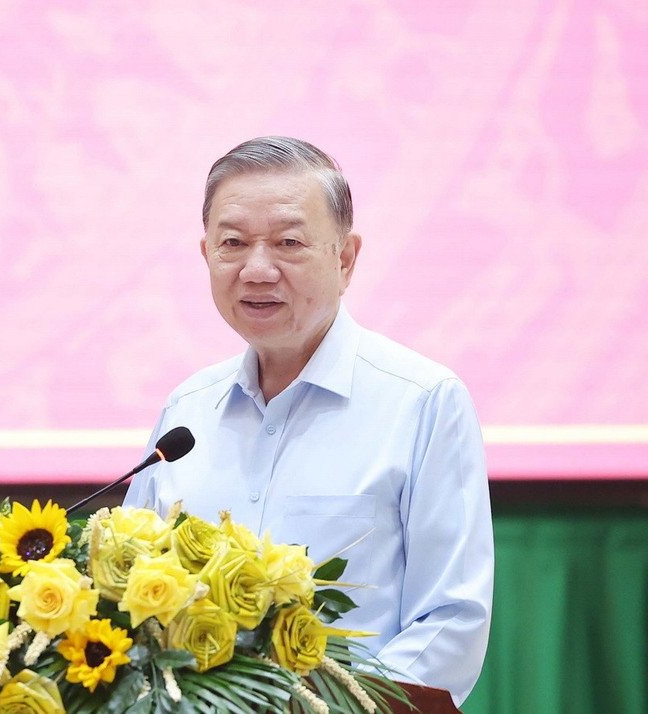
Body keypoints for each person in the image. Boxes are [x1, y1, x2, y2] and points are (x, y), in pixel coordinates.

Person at [123, 136, 493, 705]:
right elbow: (127, 589)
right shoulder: (187, 410)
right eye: (233, 244)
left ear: (345, 258)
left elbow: (451, 618)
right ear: (205, 256)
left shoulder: (422, 402)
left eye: (288, 243)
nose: (257, 269)